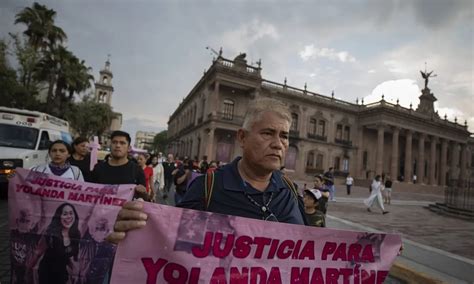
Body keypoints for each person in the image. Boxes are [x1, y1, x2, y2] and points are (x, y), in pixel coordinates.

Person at [107, 98, 308, 244]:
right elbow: (169, 242)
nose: (278, 144)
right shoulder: (207, 187)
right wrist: (145, 222)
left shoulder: (289, 189)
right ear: (242, 137)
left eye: (284, 136)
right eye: (267, 133)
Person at [28, 203, 81, 284]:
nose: (68, 216)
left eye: (71, 213)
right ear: (59, 216)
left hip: (62, 274)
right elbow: (38, 253)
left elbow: (66, 256)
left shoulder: (76, 234)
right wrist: (27, 272)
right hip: (47, 273)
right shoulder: (51, 233)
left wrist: (75, 271)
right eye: (65, 214)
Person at [91, 131, 148, 200]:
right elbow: (90, 193)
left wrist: (143, 192)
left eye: (122, 143)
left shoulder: (137, 170)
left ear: (129, 148)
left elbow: (144, 198)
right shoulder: (99, 168)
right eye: (114, 142)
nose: (118, 145)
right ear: (110, 145)